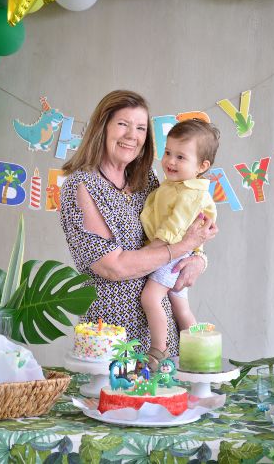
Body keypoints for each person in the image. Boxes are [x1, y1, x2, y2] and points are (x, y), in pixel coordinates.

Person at [59, 90, 218, 367]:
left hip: (160, 331)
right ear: (102, 127)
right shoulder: (82, 186)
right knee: (115, 402)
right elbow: (114, 267)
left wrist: (198, 259)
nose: (132, 135)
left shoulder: (148, 179)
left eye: (141, 127)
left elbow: (189, 224)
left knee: (168, 402)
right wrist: (181, 248)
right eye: (123, 124)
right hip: (113, 330)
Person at [139, 119, 220, 371]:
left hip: (172, 253)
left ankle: (158, 350)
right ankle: (200, 352)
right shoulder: (174, 185)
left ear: (202, 166)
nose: (170, 162)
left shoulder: (190, 193)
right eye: (167, 153)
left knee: (151, 298)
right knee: (180, 306)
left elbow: (176, 225)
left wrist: (153, 249)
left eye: (181, 157)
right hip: (178, 251)